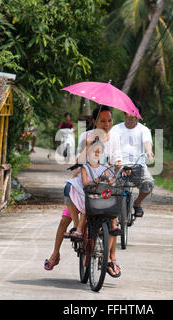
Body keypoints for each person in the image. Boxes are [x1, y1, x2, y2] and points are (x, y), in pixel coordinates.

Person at [44, 106, 122, 277]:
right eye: (102, 120)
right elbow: (80, 160)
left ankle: (110, 258)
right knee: (65, 214)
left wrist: (118, 165)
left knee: (113, 214)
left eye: (109, 120)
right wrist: (87, 149)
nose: (107, 124)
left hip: (105, 180)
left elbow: (118, 158)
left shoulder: (115, 137)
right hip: (85, 182)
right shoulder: (87, 136)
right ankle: (57, 251)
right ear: (94, 122)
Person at [110, 107, 154, 217]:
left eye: (136, 113)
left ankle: (137, 203)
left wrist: (149, 151)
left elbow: (147, 142)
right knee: (112, 186)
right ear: (125, 114)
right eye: (131, 112)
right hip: (119, 164)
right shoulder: (115, 129)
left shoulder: (144, 129)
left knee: (148, 182)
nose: (133, 116)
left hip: (138, 165)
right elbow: (110, 145)